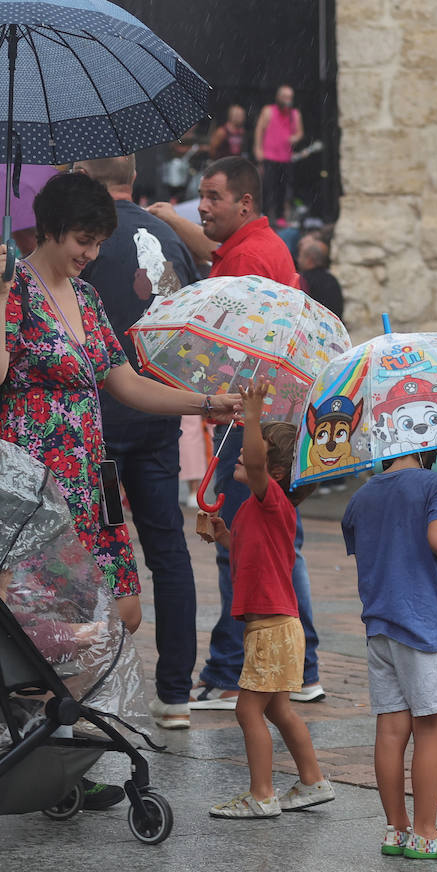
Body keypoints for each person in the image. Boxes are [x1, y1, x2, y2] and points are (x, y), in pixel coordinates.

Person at [0, 171, 239, 799]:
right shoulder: (16, 289)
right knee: (44, 617)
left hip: (88, 480)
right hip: (31, 482)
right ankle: (47, 751)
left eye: (96, 242)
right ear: (53, 229)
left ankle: (54, 744)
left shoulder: (86, 298)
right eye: (82, 240)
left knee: (120, 612)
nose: (89, 253)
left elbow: (122, 380)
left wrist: (203, 402)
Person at [151, 157, 324, 711]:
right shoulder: (258, 244)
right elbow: (210, 247)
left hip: (253, 421)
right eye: (199, 196)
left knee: (245, 545)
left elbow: (216, 320)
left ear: (243, 203)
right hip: (274, 417)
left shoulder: (245, 258)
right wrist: (167, 219)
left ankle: (232, 671)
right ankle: (303, 666)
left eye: (212, 197)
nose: (201, 207)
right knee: (278, 543)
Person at [70, 154, 201, 732]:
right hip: (158, 414)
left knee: (95, 557)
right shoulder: (169, 236)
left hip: (101, 420)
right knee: (167, 552)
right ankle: (175, 691)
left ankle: (93, 683)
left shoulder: (90, 240)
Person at [200, 383, 332, 818]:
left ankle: (261, 795)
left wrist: (253, 418)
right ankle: (312, 781)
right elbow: (251, 551)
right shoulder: (254, 510)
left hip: (273, 628)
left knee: (247, 709)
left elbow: (255, 462)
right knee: (277, 708)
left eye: (252, 453)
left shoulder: (272, 499)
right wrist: (222, 534)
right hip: (271, 627)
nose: (242, 455)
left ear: (274, 473)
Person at [341, 449, 437, 860]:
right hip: (424, 624)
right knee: (431, 728)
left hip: (380, 626)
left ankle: (396, 829)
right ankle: (426, 832)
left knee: (390, 728)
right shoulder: (435, 484)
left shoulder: (360, 497)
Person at [254, 85, 304, 226]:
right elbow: (259, 130)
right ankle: (264, 214)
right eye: (285, 97)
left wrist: (295, 138)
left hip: (285, 157)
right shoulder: (268, 111)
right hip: (269, 156)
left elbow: (300, 133)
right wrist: (258, 149)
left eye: (290, 97)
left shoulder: (294, 114)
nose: (288, 100)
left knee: (283, 189)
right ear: (278, 97)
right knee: (267, 187)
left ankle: (280, 216)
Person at [298, 232, 344, 320]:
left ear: (309, 260)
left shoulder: (303, 280)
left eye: (301, 256)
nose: (298, 260)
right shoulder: (332, 279)